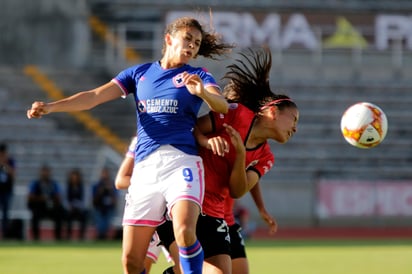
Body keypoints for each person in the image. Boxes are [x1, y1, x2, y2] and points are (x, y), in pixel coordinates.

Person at [27, 15, 232, 274]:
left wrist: (202, 92)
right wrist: (51, 107)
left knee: (183, 230)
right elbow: (93, 97)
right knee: (131, 263)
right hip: (145, 169)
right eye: (187, 39)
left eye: (197, 43)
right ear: (169, 39)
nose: (192, 46)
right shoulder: (139, 73)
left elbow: (221, 105)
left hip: (182, 163)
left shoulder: (198, 75)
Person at [157, 48, 298, 273]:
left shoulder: (266, 156)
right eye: (294, 119)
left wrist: (241, 155)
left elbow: (237, 190)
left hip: (215, 211)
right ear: (272, 112)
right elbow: (189, 128)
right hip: (185, 197)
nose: (295, 128)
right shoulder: (236, 114)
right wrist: (205, 141)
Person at [115, 136, 178, 274]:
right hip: (148, 212)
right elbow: (121, 180)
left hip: (172, 214)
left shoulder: (183, 132)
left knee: (184, 266)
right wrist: (152, 183)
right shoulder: (141, 140)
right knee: (139, 264)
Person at [27, 165, 66, 241]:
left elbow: (59, 196)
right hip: (39, 207)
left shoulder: (54, 184)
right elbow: (30, 197)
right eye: (43, 172)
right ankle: (36, 237)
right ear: (40, 173)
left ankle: (58, 237)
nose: (45, 174)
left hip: (51, 208)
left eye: (47, 172)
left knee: (59, 213)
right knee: (35, 215)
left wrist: (50, 198)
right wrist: (41, 198)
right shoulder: (35, 183)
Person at [92, 166, 117, 240]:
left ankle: (104, 237)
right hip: (99, 208)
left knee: (107, 224)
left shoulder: (112, 185)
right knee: (100, 225)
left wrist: (110, 190)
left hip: (109, 208)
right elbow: (94, 198)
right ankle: (100, 237)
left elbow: (115, 199)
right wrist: (101, 190)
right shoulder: (97, 185)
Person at [65, 168, 88, 240]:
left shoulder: (82, 187)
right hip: (70, 209)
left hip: (80, 209)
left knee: (84, 215)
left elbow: (85, 201)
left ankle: (81, 236)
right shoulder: (67, 187)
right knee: (67, 215)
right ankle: (68, 235)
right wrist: (69, 206)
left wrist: (79, 206)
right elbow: (64, 199)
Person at [0, 143, 16, 239]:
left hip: (6, 191)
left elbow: (13, 174)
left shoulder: (10, 161)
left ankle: (5, 234)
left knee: (6, 212)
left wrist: (3, 165)